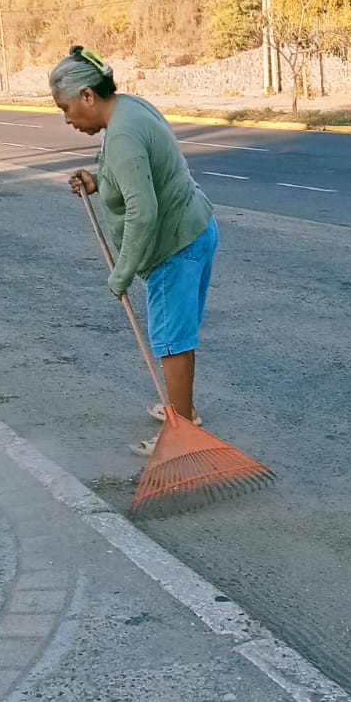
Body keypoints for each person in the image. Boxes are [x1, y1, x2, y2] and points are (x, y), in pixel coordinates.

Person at [51, 47, 218, 454]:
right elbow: (136, 174)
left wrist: (121, 273)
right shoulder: (128, 109)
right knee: (177, 336)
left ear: (88, 96)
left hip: (173, 246)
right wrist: (98, 182)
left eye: (66, 107)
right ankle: (184, 412)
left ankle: (184, 437)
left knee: (171, 340)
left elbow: (143, 214)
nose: (67, 118)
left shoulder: (122, 133)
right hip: (196, 228)